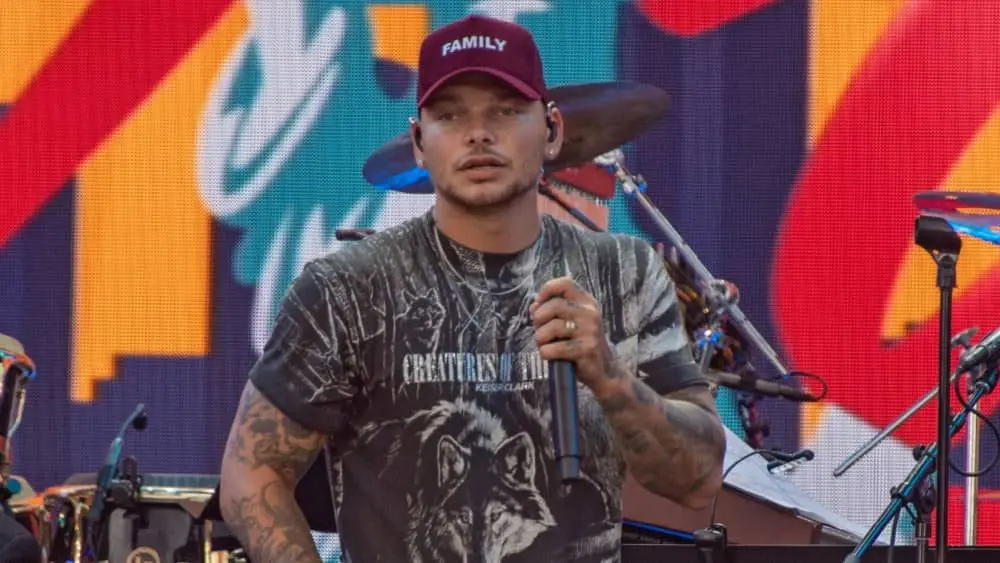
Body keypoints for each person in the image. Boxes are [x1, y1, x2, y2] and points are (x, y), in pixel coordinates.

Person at [219, 14, 726, 563]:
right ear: (418, 141)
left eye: (505, 111)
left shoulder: (624, 272)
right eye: (450, 114)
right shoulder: (347, 286)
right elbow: (253, 470)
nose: (478, 133)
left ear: (553, 130)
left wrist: (608, 374)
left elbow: (696, 483)